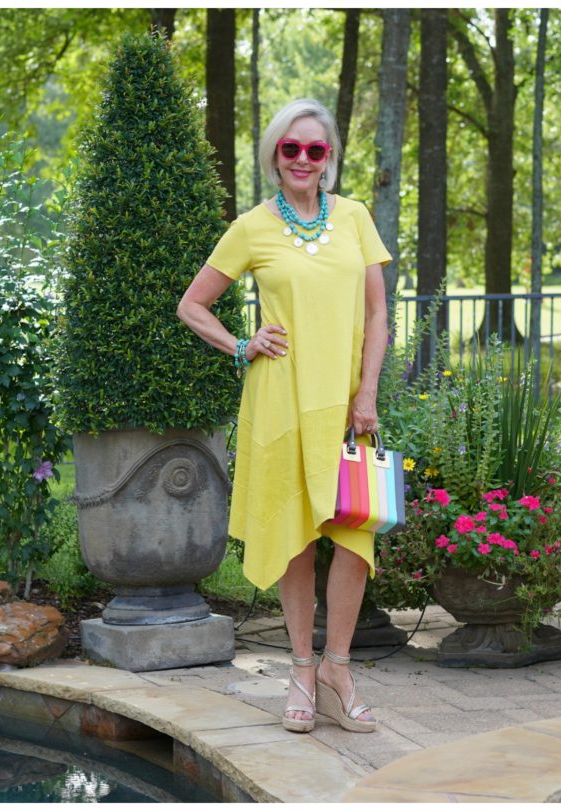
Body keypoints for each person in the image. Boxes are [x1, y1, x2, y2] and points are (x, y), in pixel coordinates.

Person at [178, 98, 390, 734]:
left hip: (348, 409)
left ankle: (338, 667)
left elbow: (378, 314)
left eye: (315, 149)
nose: (302, 159)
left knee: (354, 538)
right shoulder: (252, 227)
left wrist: (368, 392)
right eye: (290, 149)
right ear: (275, 156)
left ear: (329, 159)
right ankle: (301, 668)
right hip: (278, 406)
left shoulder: (354, 217)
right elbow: (192, 304)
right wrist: (242, 345)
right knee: (294, 537)